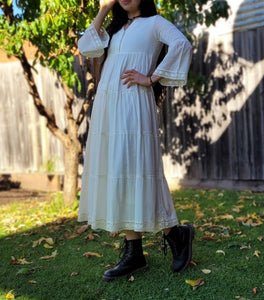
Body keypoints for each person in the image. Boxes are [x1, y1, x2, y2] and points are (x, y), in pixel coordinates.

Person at [77, 0, 194, 282]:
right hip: (108, 107)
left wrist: (151, 78)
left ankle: (175, 233)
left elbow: (182, 44)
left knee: (139, 171)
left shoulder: (154, 23)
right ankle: (134, 252)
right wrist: (103, 9)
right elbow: (86, 46)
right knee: (121, 173)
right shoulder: (115, 30)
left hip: (134, 106)